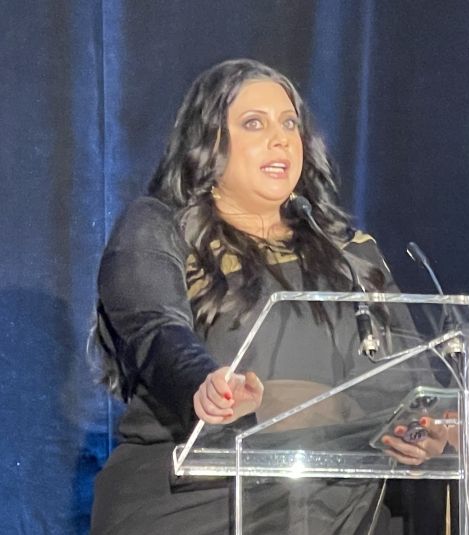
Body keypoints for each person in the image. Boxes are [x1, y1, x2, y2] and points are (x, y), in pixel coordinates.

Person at [89, 59, 445, 535]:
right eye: (254, 123)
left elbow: (405, 384)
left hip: (337, 507)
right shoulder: (160, 227)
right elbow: (156, 330)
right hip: (197, 504)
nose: (281, 139)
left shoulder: (351, 255)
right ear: (208, 139)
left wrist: (423, 431)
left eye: (290, 123)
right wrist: (207, 385)